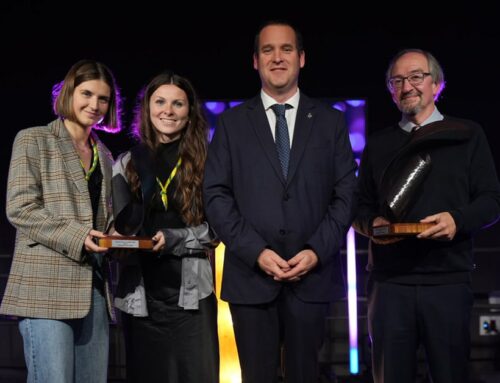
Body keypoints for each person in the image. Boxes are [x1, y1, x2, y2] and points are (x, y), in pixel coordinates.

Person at [203, 20, 357, 383]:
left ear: (301, 58)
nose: (277, 58)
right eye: (267, 50)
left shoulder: (331, 123)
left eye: (286, 49)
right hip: (251, 277)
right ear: (255, 61)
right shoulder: (230, 123)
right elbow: (216, 195)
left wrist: (316, 251)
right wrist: (256, 251)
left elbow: (346, 194)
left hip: (312, 276)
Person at [354, 48, 500, 383]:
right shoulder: (378, 145)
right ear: (391, 91)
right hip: (390, 285)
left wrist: (457, 219)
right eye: (397, 80)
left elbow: (492, 201)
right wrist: (372, 225)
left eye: (416, 77)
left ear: (437, 84)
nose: (407, 86)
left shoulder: (467, 135)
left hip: (447, 282)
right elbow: (358, 207)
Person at [0, 59, 121, 383]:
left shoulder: (106, 155)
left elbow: (101, 221)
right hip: (44, 290)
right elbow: (20, 207)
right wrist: (79, 235)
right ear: (68, 92)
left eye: (103, 99)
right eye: (86, 94)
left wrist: (117, 238)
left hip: (94, 291)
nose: (94, 105)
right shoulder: (33, 139)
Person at [111, 71, 219, 383]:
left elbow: (216, 231)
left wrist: (172, 239)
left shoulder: (208, 161)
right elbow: (118, 225)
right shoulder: (127, 162)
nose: (167, 111)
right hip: (140, 300)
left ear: (190, 113)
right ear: (146, 108)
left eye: (177, 104)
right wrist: (116, 241)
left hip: (192, 298)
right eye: (160, 101)